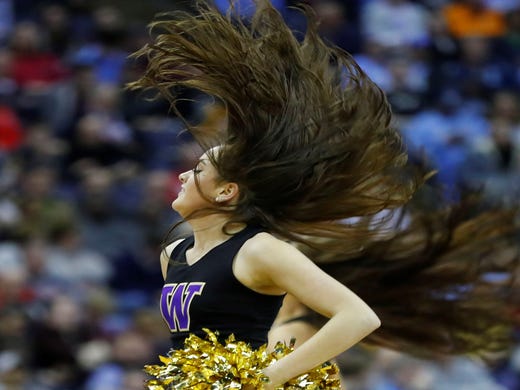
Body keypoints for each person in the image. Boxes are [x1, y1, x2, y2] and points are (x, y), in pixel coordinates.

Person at [129, 0, 519, 388]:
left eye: (198, 170)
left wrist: (265, 380)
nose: (182, 175)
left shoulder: (258, 249)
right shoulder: (173, 254)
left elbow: (359, 317)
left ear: (227, 191)